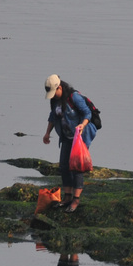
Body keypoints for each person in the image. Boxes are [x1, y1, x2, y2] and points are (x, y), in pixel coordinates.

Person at [41, 74, 97, 213]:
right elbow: (53, 117)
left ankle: (76, 200)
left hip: (80, 136)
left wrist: (82, 125)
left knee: (76, 167)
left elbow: (87, 113)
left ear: (59, 87)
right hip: (66, 136)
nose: (53, 96)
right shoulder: (55, 101)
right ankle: (67, 197)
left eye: (54, 92)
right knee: (64, 166)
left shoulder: (74, 97)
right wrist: (47, 133)